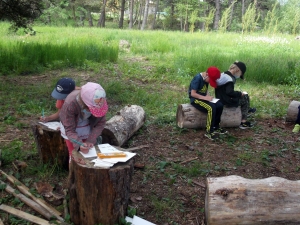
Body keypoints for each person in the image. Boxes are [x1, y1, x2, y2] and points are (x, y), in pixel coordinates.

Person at [59, 82, 108, 162]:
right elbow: (70, 129)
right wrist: (79, 144)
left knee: (88, 156)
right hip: (70, 125)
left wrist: (90, 140)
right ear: (83, 103)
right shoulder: (70, 104)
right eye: (91, 109)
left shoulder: (100, 101)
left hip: (86, 124)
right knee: (75, 156)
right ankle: (74, 172)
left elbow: (101, 123)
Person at [214, 61, 256, 129]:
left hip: (220, 98)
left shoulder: (223, 74)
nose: (239, 76)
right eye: (241, 74)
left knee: (243, 96)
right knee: (245, 97)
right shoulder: (230, 79)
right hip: (226, 101)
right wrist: (239, 94)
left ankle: (246, 110)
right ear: (237, 70)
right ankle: (243, 122)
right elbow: (229, 92)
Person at [188, 66, 227, 140]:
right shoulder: (197, 78)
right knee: (211, 108)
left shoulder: (206, 79)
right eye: (211, 80)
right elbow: (193, 94)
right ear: (206, 75)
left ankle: (216, 126)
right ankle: (209, 131)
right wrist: (205, 98)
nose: (210, 82)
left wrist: (208, 96)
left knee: (219, 105)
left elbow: (205, 90)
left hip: (203, 98)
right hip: (196, 99)